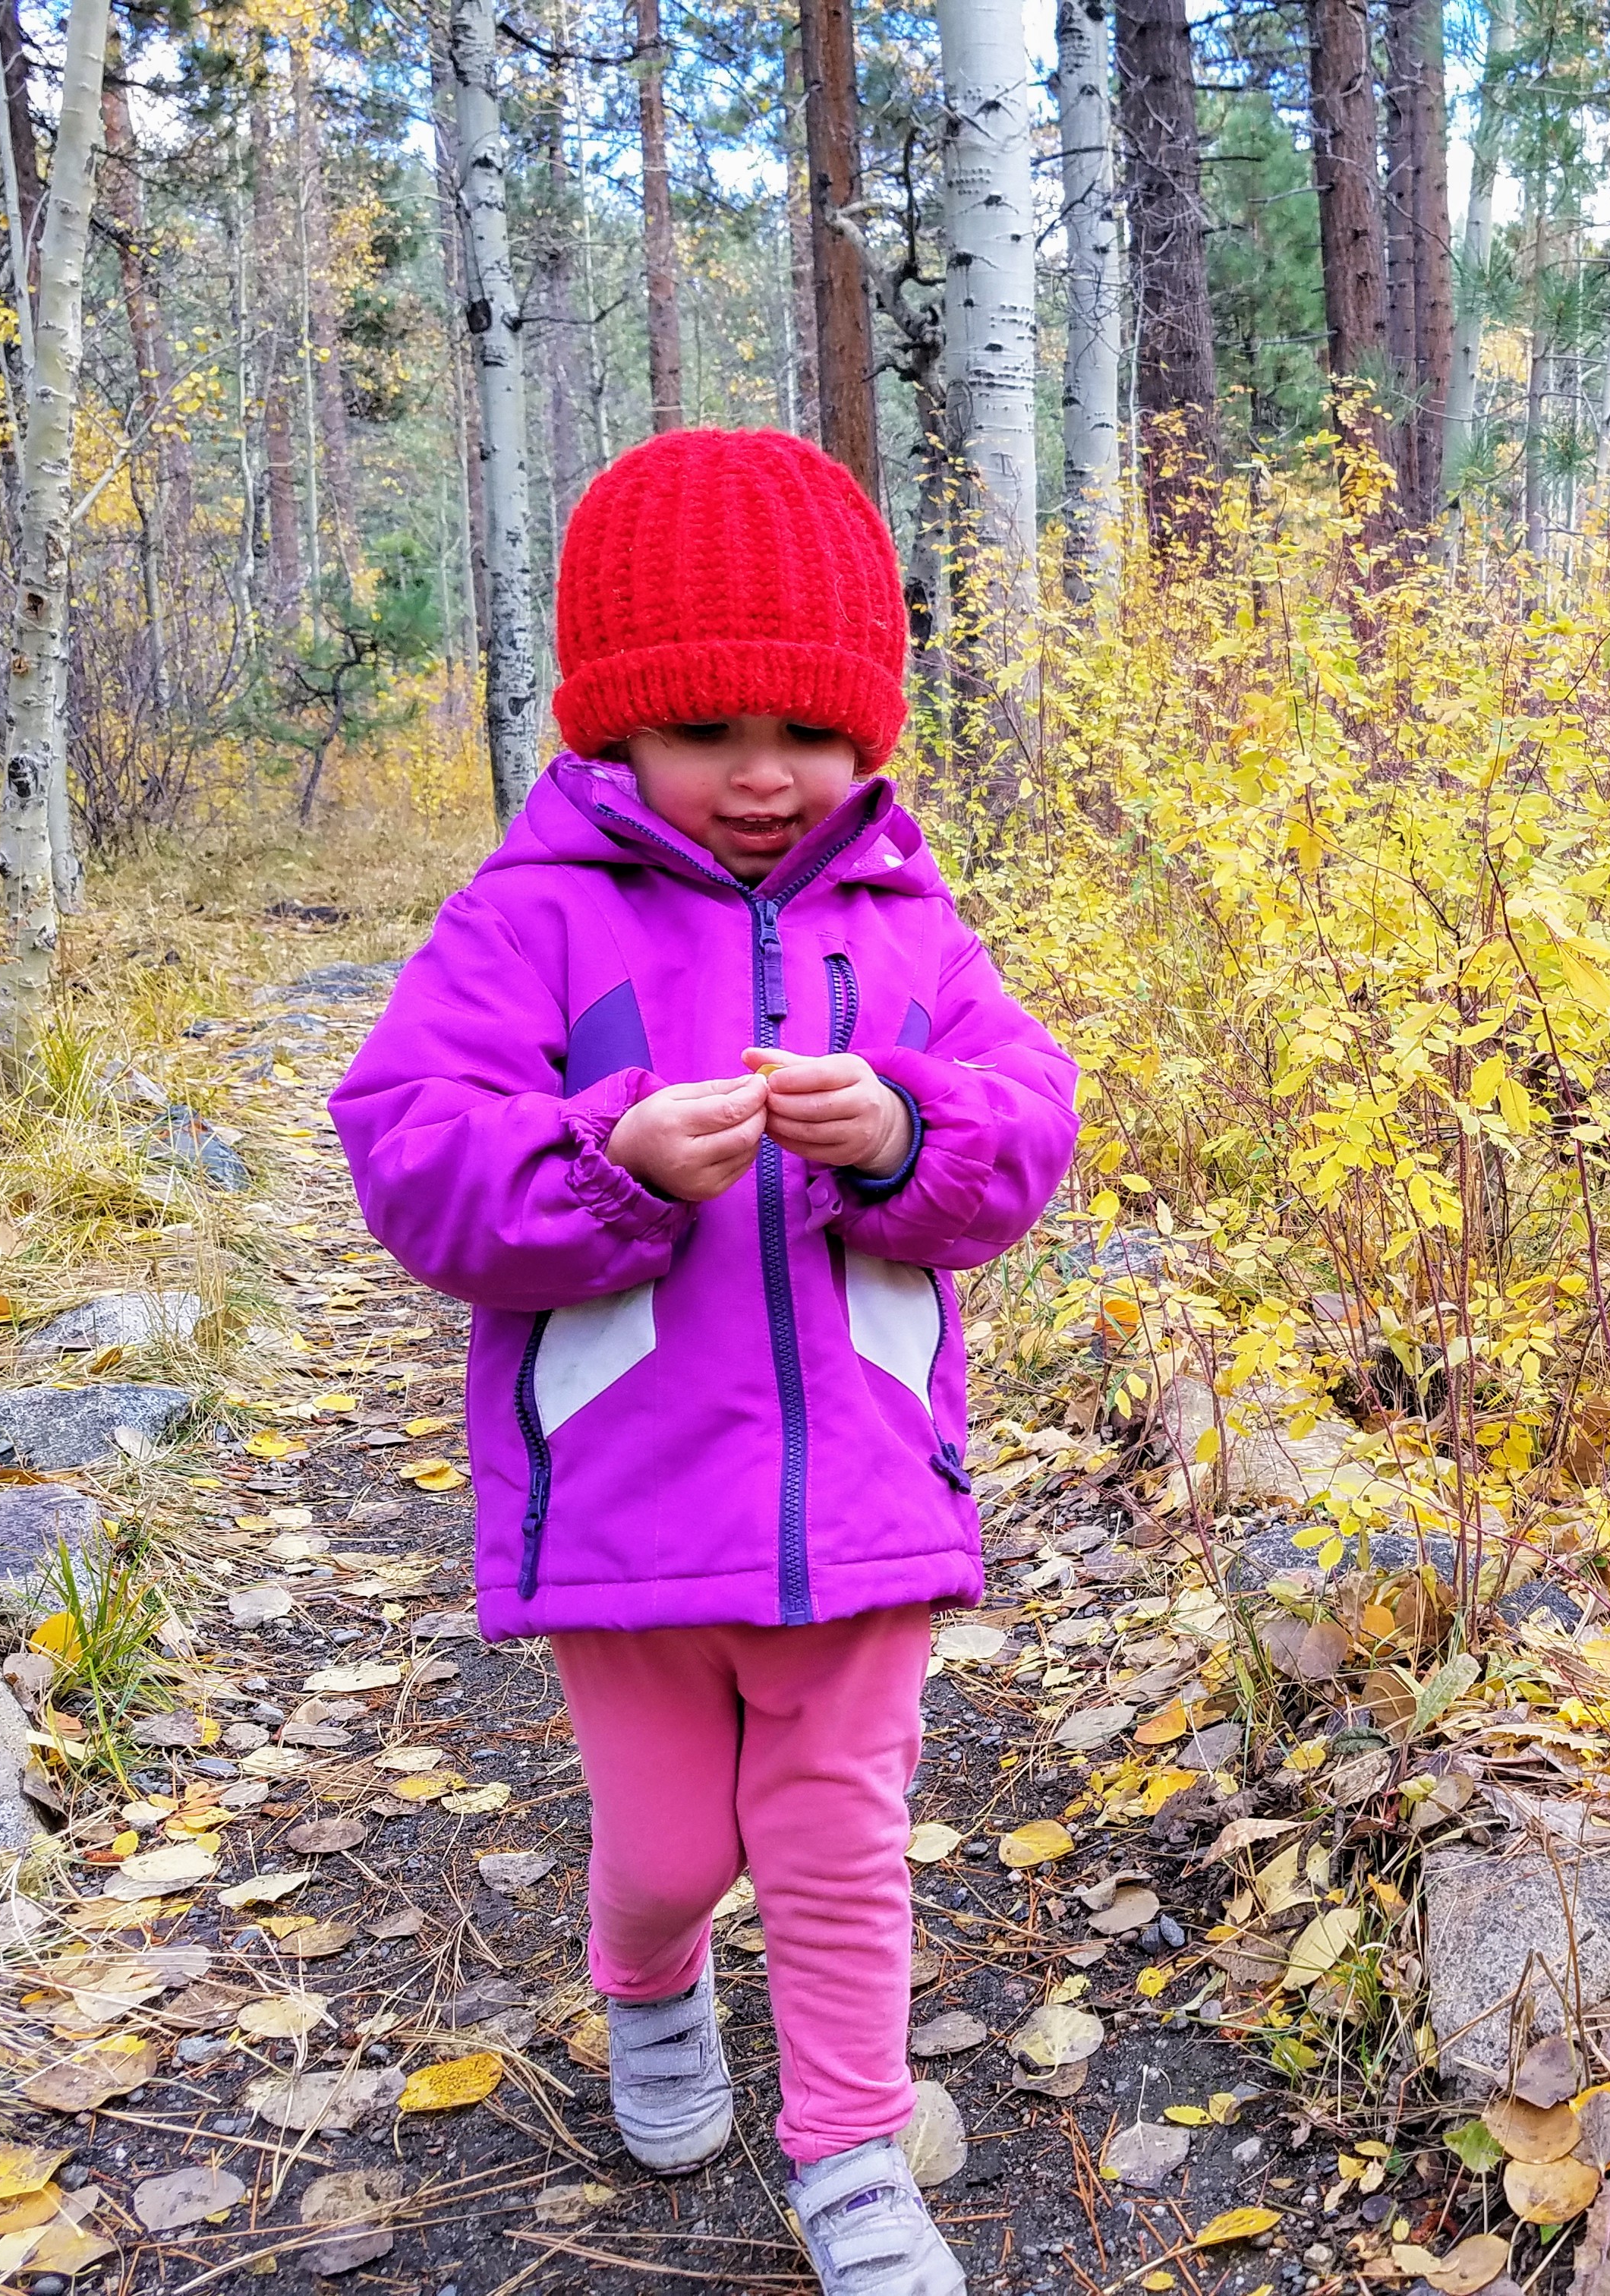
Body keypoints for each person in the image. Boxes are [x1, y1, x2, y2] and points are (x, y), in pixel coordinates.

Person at [331, 427, 1076, 2296]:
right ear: (611, 730)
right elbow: (409, 1146)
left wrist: (903, 1133)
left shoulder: (905, 922)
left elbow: (1026, 1120)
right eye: (708, 730)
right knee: (671, 1847)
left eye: (813, 734)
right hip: (630, 1505)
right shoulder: (536, 914)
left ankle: (849, 2155)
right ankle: (648, 1989)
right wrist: (609, 1165)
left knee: (836, 1837)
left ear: (871, 732)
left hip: (865, 1502)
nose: (767, 777)